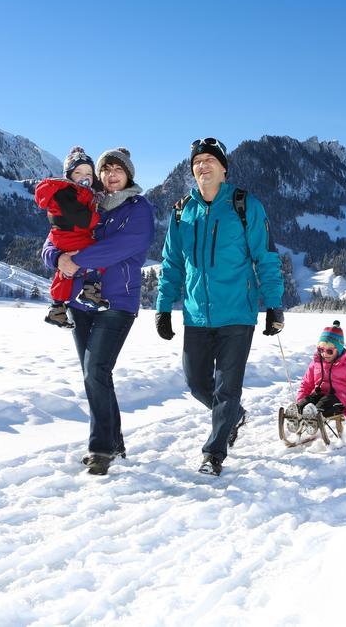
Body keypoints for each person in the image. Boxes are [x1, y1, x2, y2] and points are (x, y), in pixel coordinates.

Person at [155, 137, 285, 476]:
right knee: (197, 382)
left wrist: (273, 305)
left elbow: (266, 258)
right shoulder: (182, 210)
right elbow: (171, 263)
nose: (203, 165)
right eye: (197, 161)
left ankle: (214, 453)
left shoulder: (245, 206)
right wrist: (163, 306)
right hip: (197, 313)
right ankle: (234, 415)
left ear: (224, 168)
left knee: (228, 387)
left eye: (210, 159)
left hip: (238, 313)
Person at [42, 146, 155, 476]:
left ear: (129, 174)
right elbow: (55, 237)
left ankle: (100, 448)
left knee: (95, 372)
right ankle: (114, 441)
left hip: (117, 303)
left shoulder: (138, 208)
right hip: (81, 302)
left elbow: (123, 247)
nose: (111, 174)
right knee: (96, 376)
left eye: (118, 169)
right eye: (106, 170)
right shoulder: (86, 202)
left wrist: (74, 261)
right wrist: (56, 259)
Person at [35, 146, 109, 328]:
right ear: (69, 175)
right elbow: (82, 219)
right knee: (97, 254)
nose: (84, 176)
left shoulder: (81, 192)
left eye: (89, 173)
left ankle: (57, 308)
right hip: (70, 235)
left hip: (64, 237)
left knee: (65, 273)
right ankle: (90, 289)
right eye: (78, 172)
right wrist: (99, 218)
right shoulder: (67, 191)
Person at [285, 320, 346, 424]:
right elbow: (306, 384)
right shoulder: (315, 364)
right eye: (320, 350)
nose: (324, 354)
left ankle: (313, 421)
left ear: (339, 349)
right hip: (318, 395)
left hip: (339, 399)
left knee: (321, 406)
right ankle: (297, 416)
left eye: (329, 351)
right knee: (308, 402)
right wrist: (301, 400)